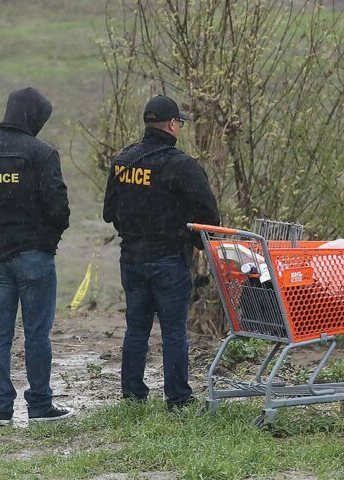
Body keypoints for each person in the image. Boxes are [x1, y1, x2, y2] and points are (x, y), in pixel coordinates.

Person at [0, 87, 73, 425]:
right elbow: (59, 209)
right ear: (32, 116)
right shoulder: (42, 154)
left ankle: (1, 409)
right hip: (35, 257)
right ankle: (39, 406)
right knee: (37, 333)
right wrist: (47, 238)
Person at [103, 95, 220, 411]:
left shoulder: (123, 161)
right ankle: (178, 398)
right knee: (173, 332)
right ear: (172, 125)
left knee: (137, 329)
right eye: (179, 122)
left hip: (131, 259)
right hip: (169, 259)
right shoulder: (181, 165)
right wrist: (195, 242)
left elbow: (108, 212)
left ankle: (132, 395)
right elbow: (210, 216)